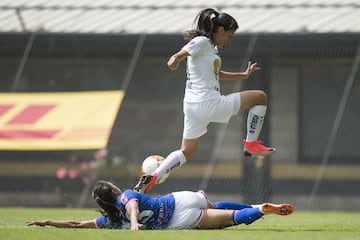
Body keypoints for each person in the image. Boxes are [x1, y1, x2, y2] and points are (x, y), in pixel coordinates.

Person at [134, 8, 275, 193]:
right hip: (209, 104)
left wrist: (243, 75)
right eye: (230, 35)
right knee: (260, 97)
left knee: (186, 152)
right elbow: (180, 54)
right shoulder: (202, 42)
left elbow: (215, 74)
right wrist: (174, 60)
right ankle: (251, 143)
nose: (229, 40)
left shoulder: (211, 49)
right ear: (221, 30)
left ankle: (151, 179)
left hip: (193, 107)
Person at [26, 180, 294, 230]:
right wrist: (47, 222)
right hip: (181, 198)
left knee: (230, 219)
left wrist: (47, 221)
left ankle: (259, 210)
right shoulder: (128, 194)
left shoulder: (111, 219)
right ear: (115, 190)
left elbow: (76, 223)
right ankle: (257, 206)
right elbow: (131, 203)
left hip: (182, 218)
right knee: (219, 207)